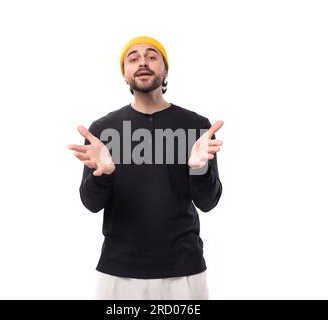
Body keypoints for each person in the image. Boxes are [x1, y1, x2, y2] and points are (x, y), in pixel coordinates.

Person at [68, 36, 223, 299]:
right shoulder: (102, 130)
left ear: (165, 71)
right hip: (119, 274)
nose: (142, 62)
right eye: (133, 58)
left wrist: (198, 169)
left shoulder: (196, 127)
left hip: (183, 273)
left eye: (152, 57)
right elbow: (91, 203)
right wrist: (103, 175)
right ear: (125, 73)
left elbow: (207, 202)